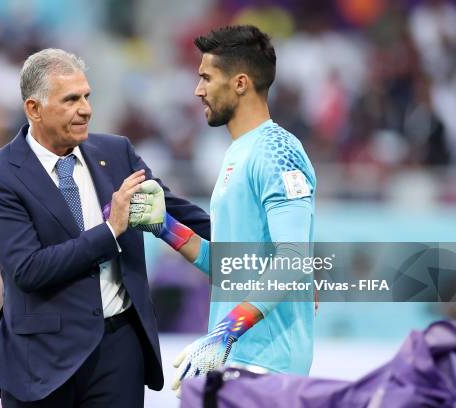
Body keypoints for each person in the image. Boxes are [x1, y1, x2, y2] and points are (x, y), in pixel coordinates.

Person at [0, 48, 210, 407]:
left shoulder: (116, 153)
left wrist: (277, 263)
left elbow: (182, 213)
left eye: (86, 96)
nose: (85, 109)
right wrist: (110, 230)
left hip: (119, 351)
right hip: (41, 361)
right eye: (70, 100)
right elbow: (28, 270)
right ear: (34, 109)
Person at [129, 25, 317, 391]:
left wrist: (224, 333)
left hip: (268, 366)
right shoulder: (239, 151)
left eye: (205, 78)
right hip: (238, 362)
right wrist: (165, 227)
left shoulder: (279, 152)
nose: (198, 90)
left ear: (241, 83)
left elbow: (293, 259)